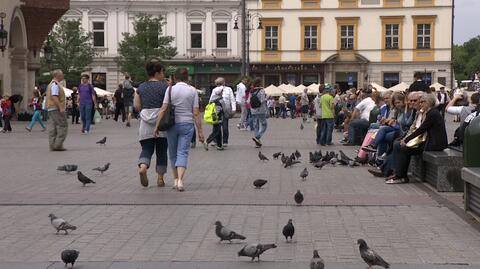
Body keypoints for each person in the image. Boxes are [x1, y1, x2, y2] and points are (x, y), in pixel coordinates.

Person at [155, 68, 205, 192]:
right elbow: (196, 112)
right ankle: (181, 181)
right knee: (183, 152)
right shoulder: (192, 90)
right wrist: (200, 131)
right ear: (187, 77)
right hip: (187, 124)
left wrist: (156, 126)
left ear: (175, 78)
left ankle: (176, 179)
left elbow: (163, 108)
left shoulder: (170, 89)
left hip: (172, 125)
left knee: (172, 153)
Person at [386, 93, 447, 184]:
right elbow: (415, 128)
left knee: (403, 148)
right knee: (398, 144)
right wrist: (405, 138)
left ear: (429, 103)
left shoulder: (433, 113)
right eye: (420, 102)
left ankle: (401, 176)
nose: (421, 104)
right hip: (428, 141)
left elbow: (421, 129)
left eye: (423, 102)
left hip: (434, 144)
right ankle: (399, 174)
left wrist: (406, 140)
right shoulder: (425, 112)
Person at [134, 60, 169, 188]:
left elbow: (136, 106)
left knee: (147, 149)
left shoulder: (141, 87)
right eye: (162, 72)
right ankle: (160, 178)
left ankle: (143, 167)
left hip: (145, 123)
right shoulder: (165, 86)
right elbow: (168, 105)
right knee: (161, 151)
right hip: (161, 123)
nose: (163, 74)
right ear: (157, 73)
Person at [46, 70, 68, 151]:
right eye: (62, 75)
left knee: (53, 127)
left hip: (50, 108)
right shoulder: (55, 84)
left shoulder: (50, 84)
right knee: (63, 125)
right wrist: (61, 107)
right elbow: (54, 96)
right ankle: (58, 145)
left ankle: (52, 145)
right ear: (58, 76)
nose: (63, 76)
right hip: (56, 108)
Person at [204, 84, 225, 151]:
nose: (222, 93)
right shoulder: (220, 100)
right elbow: (222, 109)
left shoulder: (213, 99)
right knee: (216, 131)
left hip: (214, 117)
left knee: (218, 131)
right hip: (217, 118)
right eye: (222, 91)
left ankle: (219, 145)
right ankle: (207, 141)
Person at [250, 78, 268, 148]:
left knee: (256, 125)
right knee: (264, 124)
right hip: (261, 110)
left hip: (253, 110)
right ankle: (258, 136)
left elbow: (249, 100)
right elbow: (262, 100)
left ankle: (257, 142)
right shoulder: (261, 90)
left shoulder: (251, 91)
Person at [217, 77, 235, 146]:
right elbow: (211, 99)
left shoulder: (228, 89)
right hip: (217, 110)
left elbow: (232, 99)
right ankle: (216, 140)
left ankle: (225, 141)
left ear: (224, 83)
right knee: (216, 126)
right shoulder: (215, 90)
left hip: (226, 110)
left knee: (225, 126)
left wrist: (233, 109)